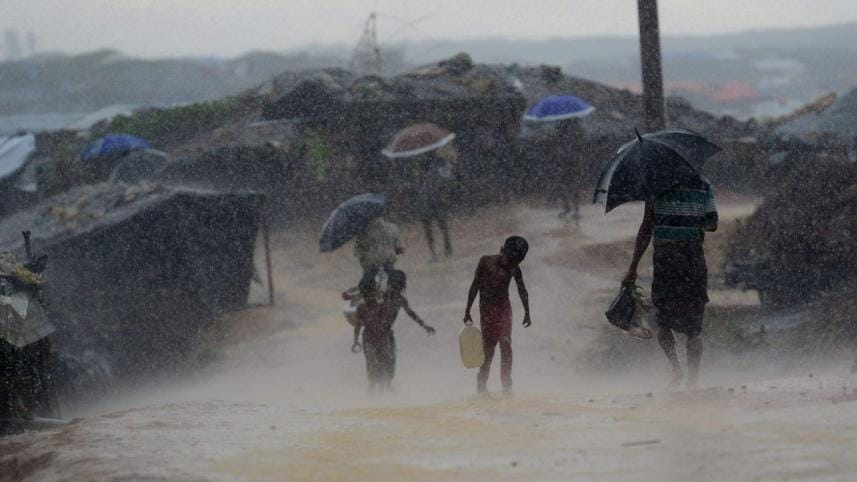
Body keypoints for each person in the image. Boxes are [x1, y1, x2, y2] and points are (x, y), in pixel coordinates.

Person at [623, 177, 718, 389]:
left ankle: (681, 373)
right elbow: (712, 223)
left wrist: (633, 267)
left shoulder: (657, 186)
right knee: (685, 325)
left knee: (669, 322)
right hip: (689, 262)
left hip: (669, 262)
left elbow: (646, 228)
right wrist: (693, 219)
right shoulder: (703, 185)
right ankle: (687, 377)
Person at [463, 236, 532, 394]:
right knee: (489, 349)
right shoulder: (486, 262)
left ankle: (507, 385)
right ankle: (481, 381)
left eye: (517, 262)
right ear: (505, 253)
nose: (513, 265)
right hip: (486, 310)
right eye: (512, 260)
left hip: (503, 309)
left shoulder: (514, 269)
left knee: (506, 343)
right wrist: (467, 310)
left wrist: (527, 312)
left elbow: (522, 289)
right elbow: (474, 286)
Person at [351, 278, 391, 393]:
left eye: (368, 294)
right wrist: (355, 340)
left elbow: (386, 322)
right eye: (365, 294)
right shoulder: (362, 307)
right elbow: (358, 325)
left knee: (382, 363)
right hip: (370, 339)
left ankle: (380, 389)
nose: (367, 297)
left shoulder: (382, 306)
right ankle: (372, 385)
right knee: (372, 362)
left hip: (381, 338)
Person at [414, 151, 454, 262]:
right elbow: (447, 178)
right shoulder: (428, 163)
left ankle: (443, 249)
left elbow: (447, 178)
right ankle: (440, 250)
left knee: (437, 225)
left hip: (433, 198)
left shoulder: (437, 162)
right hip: (430, 199)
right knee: (435, 226)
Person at [353, 215, 404, 286]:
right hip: (388, 262)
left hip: (370, 264)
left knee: (367, 287)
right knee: (392, 285)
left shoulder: (364, 230)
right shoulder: (393, 228)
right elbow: (400, 248)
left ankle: (367, 292)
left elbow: (358, 251)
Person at [553, 119, 585, 225]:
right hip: (573, 159)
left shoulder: (559, 128)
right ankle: (575, 209)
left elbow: (556, 142)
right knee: (574, 183)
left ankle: (569, 207)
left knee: (563, 183)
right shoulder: (577, 127)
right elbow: (580, 144)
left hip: (564, 159)